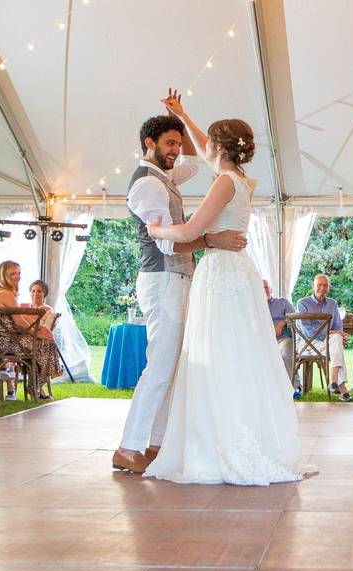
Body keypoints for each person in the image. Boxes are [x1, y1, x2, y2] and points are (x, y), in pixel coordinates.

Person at [142, 92, 313, 485]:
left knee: (216, 356)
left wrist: (155, 229)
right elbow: (204, 149)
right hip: (237, 274)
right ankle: (241, 436)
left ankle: (221, 444)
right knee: (237, 354)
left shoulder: (223, 182)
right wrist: (183, 114)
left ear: (221, 148)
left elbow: (188, 231)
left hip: (220, 274)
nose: (202, 148)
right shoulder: (242, 179)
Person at [112, 90, 251, 475]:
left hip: (180, 276)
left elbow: (192, 159)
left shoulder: (165, 175)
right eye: (168, 143)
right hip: (162, 277)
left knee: (171, 366)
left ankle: (157, 444)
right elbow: (164, 239)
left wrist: (178, 116)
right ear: (149, 144)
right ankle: (128, 446)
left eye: (176, 142)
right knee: (160, 365)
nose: (176, 150)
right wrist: (210, 239)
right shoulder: (147, 184)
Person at [0, 261, 61, 400]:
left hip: (2, 341)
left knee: (45, 342)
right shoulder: (6, 293)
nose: (18, 276)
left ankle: (35, 384)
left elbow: (21, 319)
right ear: (4, 275)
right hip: (7, 343)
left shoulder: (0, 292)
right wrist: (39, 332)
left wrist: (39, 329)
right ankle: (35, 386)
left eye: (19, 273)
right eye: (13, 273)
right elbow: (20, 322)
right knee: (46, 344)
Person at [296, 274, 352, 401]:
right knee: (336, 345)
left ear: (329, 288)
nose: (322, 288)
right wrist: (334, 334)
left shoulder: (332, 303)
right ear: (313, 286)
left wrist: (338, 336)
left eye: (325, 285)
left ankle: (333, 381)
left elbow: (338, 326)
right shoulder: (302, 303)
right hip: (307, 344)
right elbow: (308, 332)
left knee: (337, 340)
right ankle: (341, 389)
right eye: (319, 285)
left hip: (327, 343)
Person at [264, 279, 298, 396]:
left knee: (285, 351)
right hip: (263, 341)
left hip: (282, 338)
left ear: (271, 290)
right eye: (261, 288)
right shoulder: (253, 307)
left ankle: (293, 387)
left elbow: (295, 317)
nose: (264, 290)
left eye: (266, 287)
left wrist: (282, 322)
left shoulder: (282, 302)